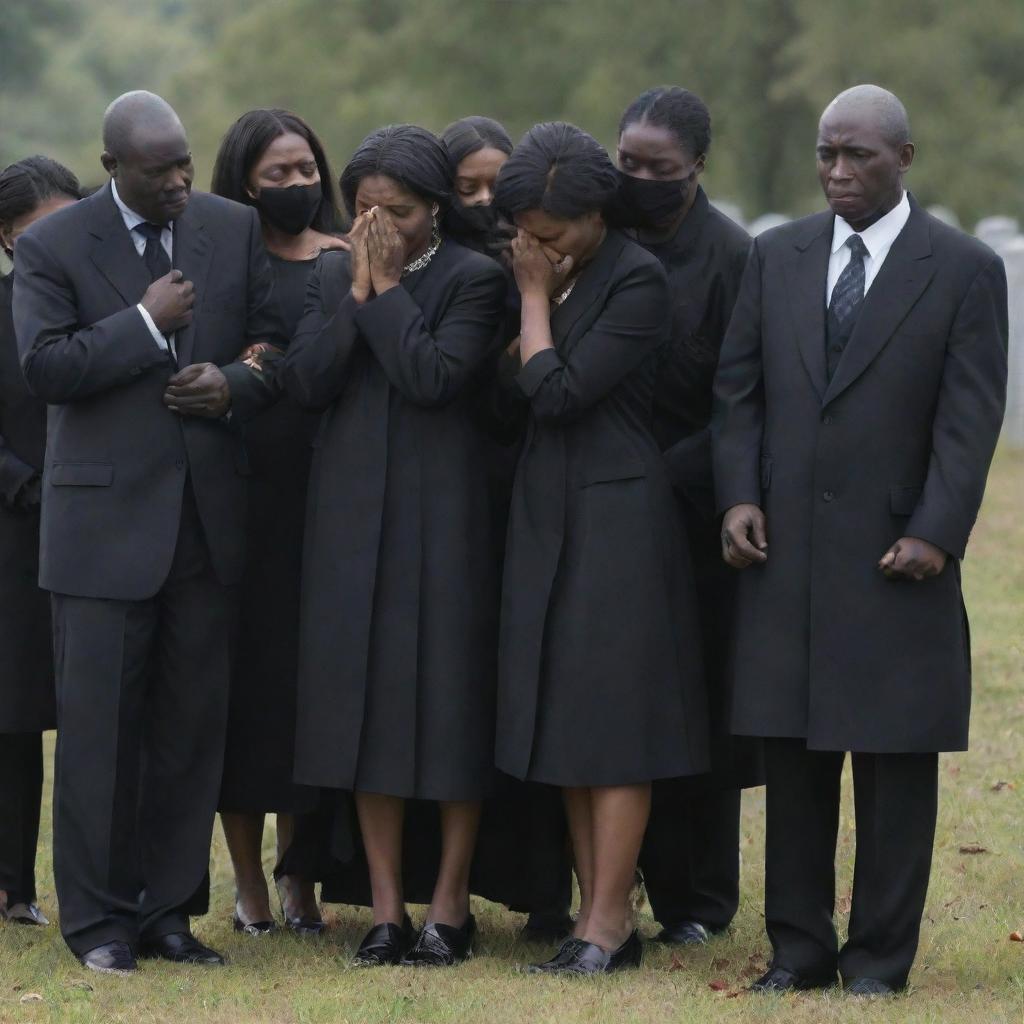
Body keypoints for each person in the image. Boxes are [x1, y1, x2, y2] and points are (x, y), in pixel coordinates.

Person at [713, 85, 1008, 996]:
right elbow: (739, 396)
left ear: (905, 159)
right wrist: (736, 499)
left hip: (896, 564)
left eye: (860, 157)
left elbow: (970, 419)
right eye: (827, 154)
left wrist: (936, 532)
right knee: (796, 768)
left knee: (894, 769)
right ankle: (798, 952)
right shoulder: (777, 257)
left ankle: (879, 962)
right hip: (785, 559)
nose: (839, 173)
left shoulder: (960, 270)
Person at [12, 91, 285, 975]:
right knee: (99, 738)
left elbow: (274, 341)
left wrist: (236, 387)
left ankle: (170, 914)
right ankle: (98, 925)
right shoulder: (53, 245)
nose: (179, 180)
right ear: (111, 169)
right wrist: (142, 325)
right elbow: (47, 366)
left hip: (207, 527)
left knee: (187, 732)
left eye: (184, 162)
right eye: (160, 168)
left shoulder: (231, 228)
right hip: (99, 532)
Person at [281, 125, 506, 967]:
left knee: (448, 706)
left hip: (441, 520)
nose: (380, 224)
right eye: (366, 208)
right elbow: (304, 381)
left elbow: (431, 377)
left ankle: (448, 904)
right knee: (362, 709)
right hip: (348, 520)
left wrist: (384, 289)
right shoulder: (333, 275)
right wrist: (356, 290)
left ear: (437, 209)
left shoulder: (473, 280)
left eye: (400, 211)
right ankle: (384, 907)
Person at [494, 122, 710, 975]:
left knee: (616, 724)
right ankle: (593, 911)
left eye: (548, 229)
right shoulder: (557, 269)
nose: (531, 245)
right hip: (549, 512)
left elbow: (556, 393)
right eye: (524, 229)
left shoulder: (637, 282)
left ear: (595, 216)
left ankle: (613, 921)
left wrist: (534, 303)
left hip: (618, 517)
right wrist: (537, 303)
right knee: (570, 721)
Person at [612, 86, 764, 947]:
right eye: (626, 162)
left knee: (694, 705)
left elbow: (744, 397)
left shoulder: (734, 258)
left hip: (691, 509)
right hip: (597, 504)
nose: (637, 180)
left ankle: (696, 901)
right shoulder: (600, 232)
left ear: (697, 168)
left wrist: (663, 476)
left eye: (657, 170)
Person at [210, 107, 347, 938]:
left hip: (325, 497)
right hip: (240, 496)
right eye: (277, 173)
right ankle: (247, 884)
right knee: (242, 696)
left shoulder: (343, 259)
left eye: (306, 170)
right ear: (243, 181)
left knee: (308, 693)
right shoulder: (223, 264)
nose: (297, 185)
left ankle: (302, 880)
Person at [441, 114, 575, 945]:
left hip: (550, 495)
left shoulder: (555, 268)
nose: (487, 203)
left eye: (501, 187)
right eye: (468, 188)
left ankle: (548, 888)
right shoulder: (456, 279)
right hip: (466, 502)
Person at [0, 156, 81, 928]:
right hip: (15, 533)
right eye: (33, 236)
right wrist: (27, 485)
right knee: (13, 715)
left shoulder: (111, 311)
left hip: (105, 529)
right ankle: (11, 883)